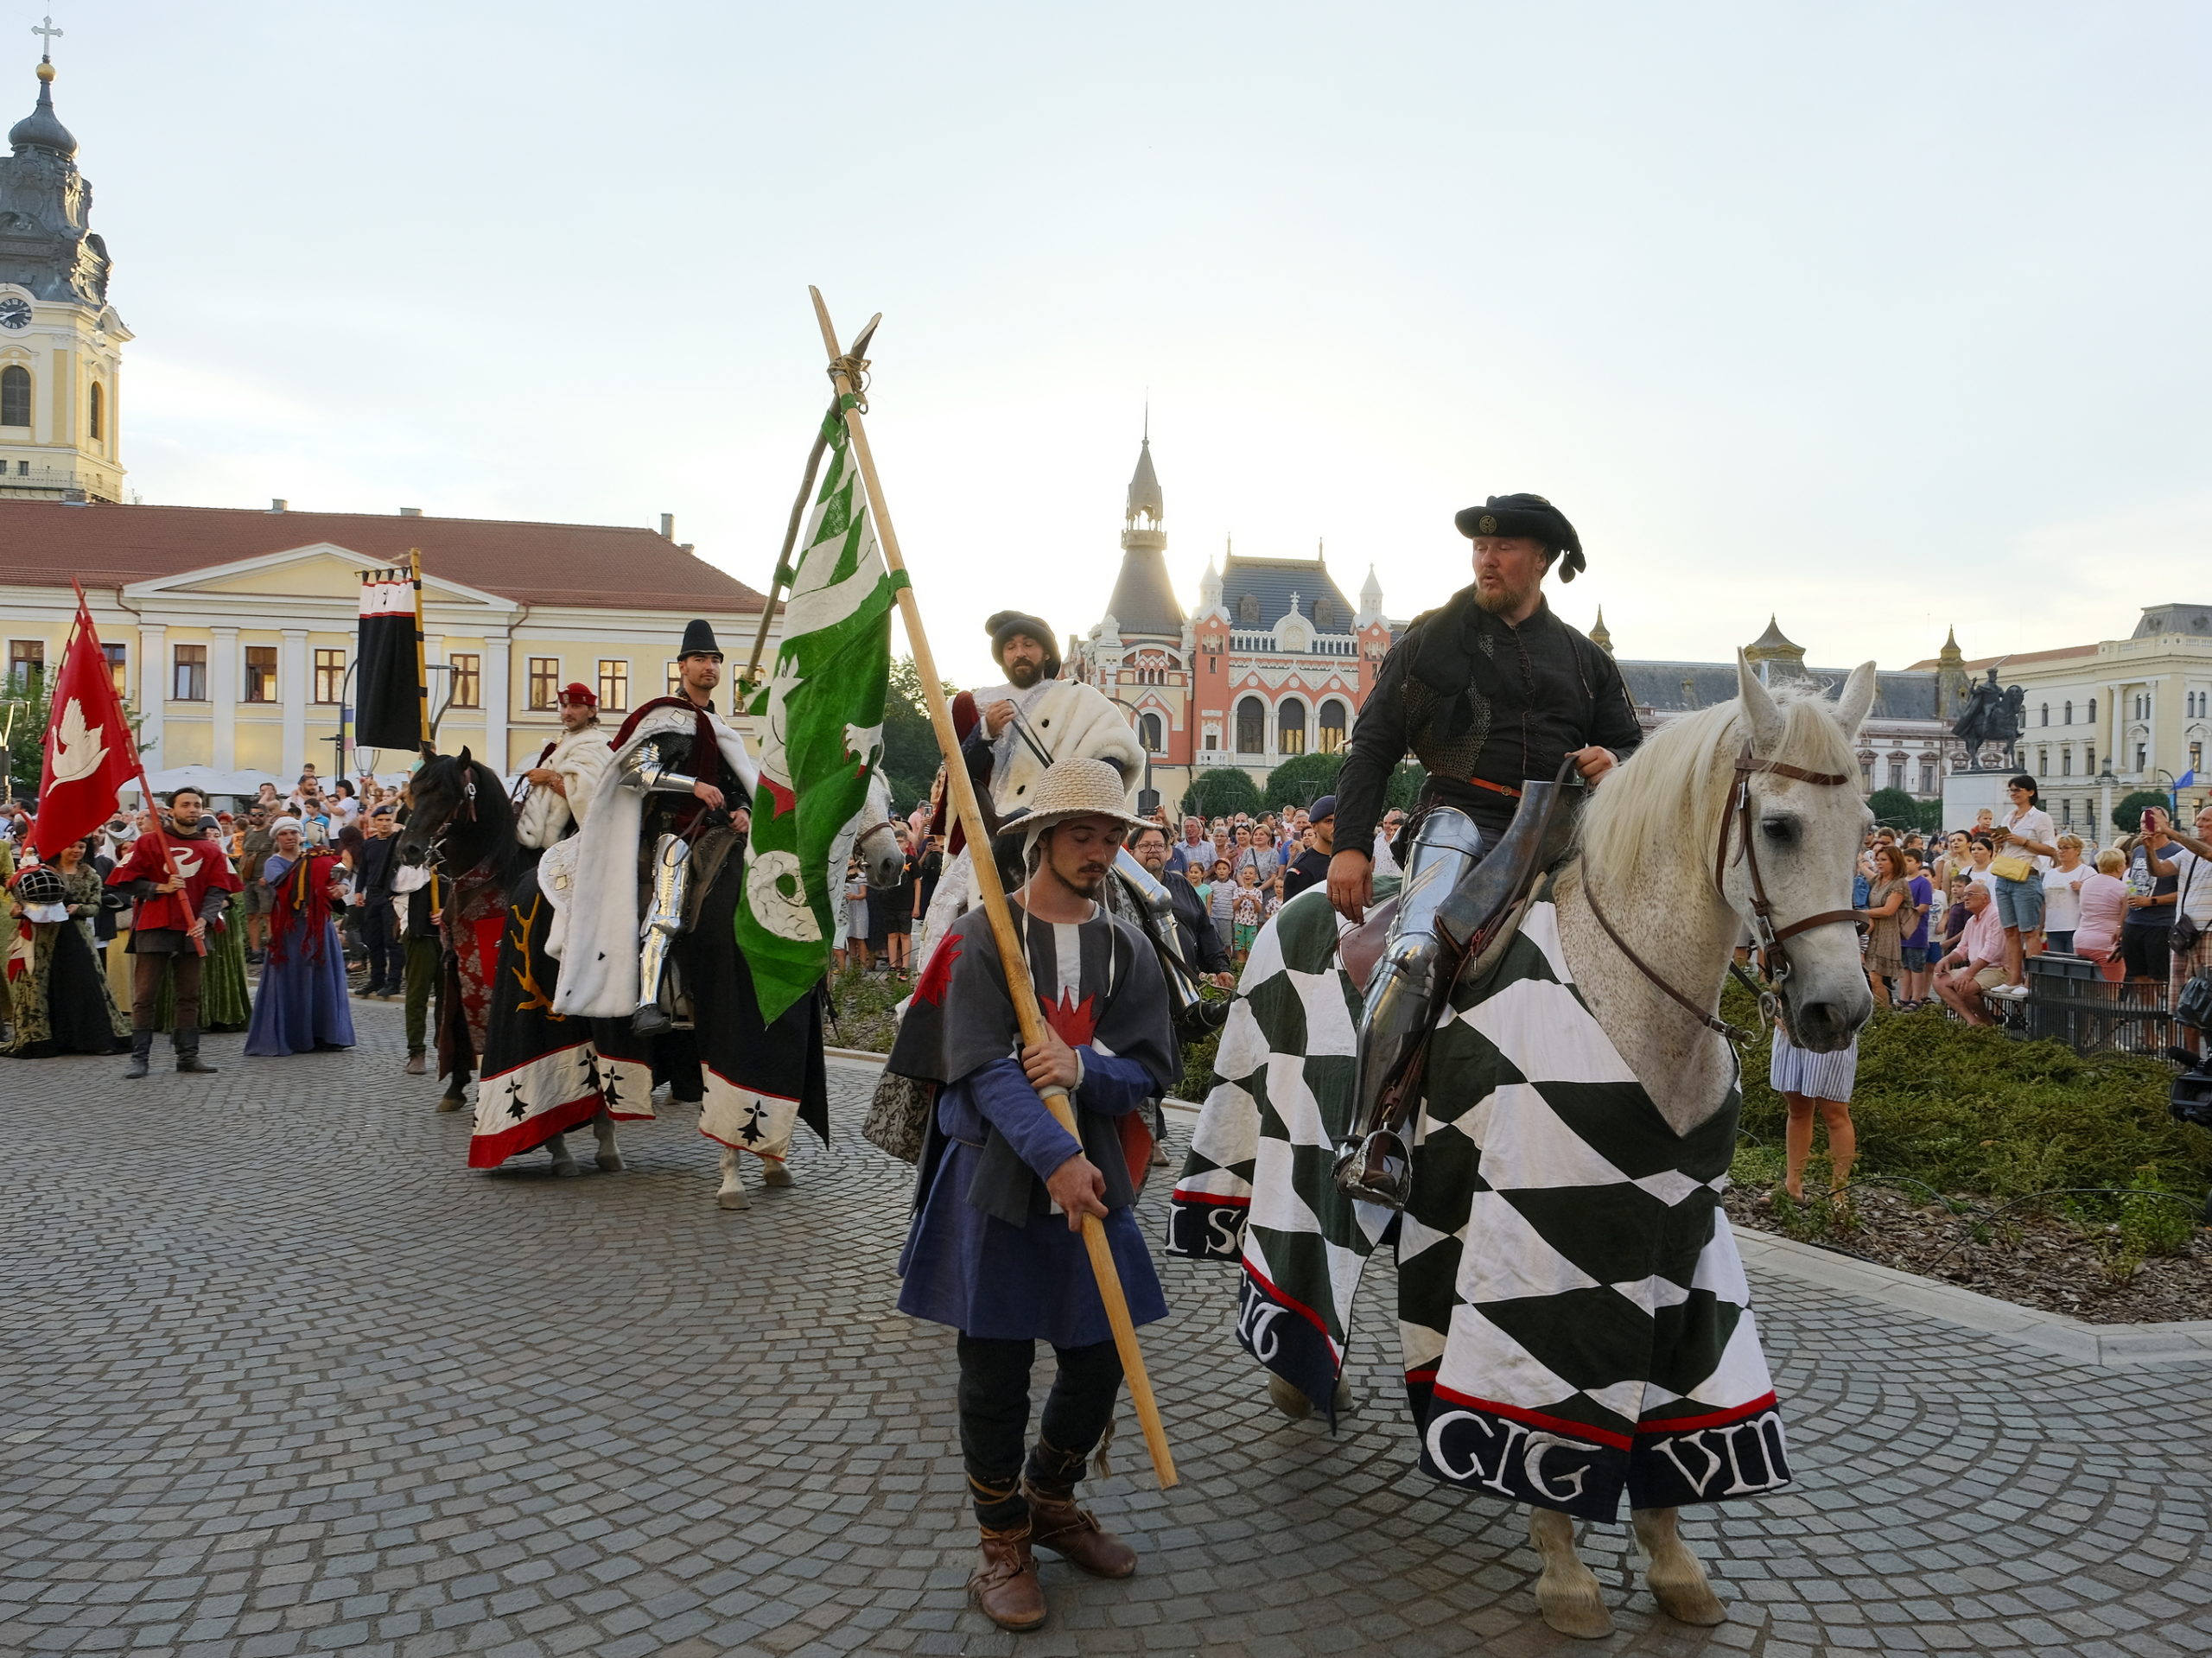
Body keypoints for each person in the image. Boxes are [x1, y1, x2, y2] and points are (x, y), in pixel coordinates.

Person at [886, 759, 1177, 1632]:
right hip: (999, 1186)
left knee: (1101, 1354)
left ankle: (1050, 1497)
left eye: (1111, 835)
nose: (1099, 850)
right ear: (1043, 839)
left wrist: (1085, 1067)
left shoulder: (1126, 944)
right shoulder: (985, 936)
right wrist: (1053, 1153)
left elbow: (1151, 1069)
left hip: (1097, 1185)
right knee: (995, 1370)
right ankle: (1002, 1541)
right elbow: (975, 1067)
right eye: (1082, 833)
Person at [549, 618, 826, 1194]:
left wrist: (744, 808)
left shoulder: (722, 727)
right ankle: (651, 996)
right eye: (698, 658)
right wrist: (690, 786)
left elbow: (741, 780)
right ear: (682, 666)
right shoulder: (664, 717)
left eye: (714, 659)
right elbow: (637, 772)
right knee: (673, 878)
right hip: (670, 831)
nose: (708, 667)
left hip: (723, 831)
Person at [1328, 494, 1640, 922]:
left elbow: (1631, 747)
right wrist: (1350, 846)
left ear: (1541, 560)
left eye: (1504, 547)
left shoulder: (1586, 659)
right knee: (1415, 957)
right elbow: (1371, 748)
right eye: (1479, 547)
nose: (1486, 561)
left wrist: (1614, 759)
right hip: (1458, 824)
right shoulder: (1428, 643)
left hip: (1566, 835)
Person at [916, 611, 1145, 959]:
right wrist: (985, 733)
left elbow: (1116, 747)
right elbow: (961, 773)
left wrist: (1083, 789)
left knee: (1151, 896)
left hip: (1065, 821)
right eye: (1010, 647)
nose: (1019, 652)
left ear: (1046, 653)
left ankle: (1176, 987)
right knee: (948, 907)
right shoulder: (982, 702)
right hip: (995, 828)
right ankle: (943, 994)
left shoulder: (1079, 698)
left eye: (1028, 644)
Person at [107, 788, 242, 1078]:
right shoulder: (148, 843)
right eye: (186, 805)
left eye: (197, 805)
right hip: (155, 924)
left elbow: (218, 889)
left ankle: (187, 1056)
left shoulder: (211, 849)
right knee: (145, 994)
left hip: (193, 927)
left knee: (189, 994)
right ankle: (140, 1057)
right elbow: (124, 880)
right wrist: (157, 888)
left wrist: (205, 919)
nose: (192, 809)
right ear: (172, 810)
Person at [4, 838, 130, 1056]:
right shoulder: (41, 871)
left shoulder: (89, 874)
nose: (77, 850)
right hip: (43, 939)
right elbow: (23, 903)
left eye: (81, 847)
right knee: (42, 986)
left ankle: (93, 1039)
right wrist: (18, 911)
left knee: (84, 985)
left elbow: (95, 907)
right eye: (71, 845)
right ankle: (44, 1039)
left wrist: (78, 908)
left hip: (76, 936)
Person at [245, 820, 357, 1056]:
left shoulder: (317, 857)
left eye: (293, 832)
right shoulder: (274, 863)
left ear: (300, 835)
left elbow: (341, 874)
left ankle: (327, 1034)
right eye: (283, 834)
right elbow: (286, 885)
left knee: (324, 977)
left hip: (320, 926)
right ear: (277, 839)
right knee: (295, 978)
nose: (289, 837)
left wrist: (342, 888)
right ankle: (295, 1036)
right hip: (292, 930)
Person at [2141, 803, 2212, 1057]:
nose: (2199, 824)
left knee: (2209, 1000)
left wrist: (2169, 831)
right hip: (2185, 935)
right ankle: (2191, 1060)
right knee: (2186, 1002)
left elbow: (2208, 853)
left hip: (2210, 935)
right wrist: (2149, 850)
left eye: (2206, 820)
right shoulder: (2187, 854)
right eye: (2199, 820)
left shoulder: (2198, 850)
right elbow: (2158, 871)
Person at [1126, 821, 1234, 987]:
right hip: (1139, 984)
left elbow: (1204, 929)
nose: (1153, 850)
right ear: (1131, 853)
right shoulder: (1123, 889)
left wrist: (1221, 967)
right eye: (1145, 846)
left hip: (1184, 982)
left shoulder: (1181, 884)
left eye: (1158, 845)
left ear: (1167, 852)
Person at [517, 682, 613, 853]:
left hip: (572, 838)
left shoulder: (595, 745)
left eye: (575, 706)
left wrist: (550, 778)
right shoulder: (559, 742)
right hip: (540, 832)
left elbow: (590, 798)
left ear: (591, 711)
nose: (567, 712)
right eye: (564, 706)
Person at [1985, 775, 2056, 999]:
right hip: (2005, 873)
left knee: (2029, 930)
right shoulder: (2009, 815)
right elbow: (2006, 846)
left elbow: (2051, 849)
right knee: (2010, 930)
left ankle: (2030, 979)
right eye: (2011, 790)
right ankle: (2013, 978)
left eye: (2017, 790)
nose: (2013, 793)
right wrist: (1999, 841)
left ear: (2030, 792)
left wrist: (2024, 842)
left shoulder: (2041, 818)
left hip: (2026, 875)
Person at [1770, 1017, 1856, 1202]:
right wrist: (1777, 1004)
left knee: (1835, 1114)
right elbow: (1771, 986)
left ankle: (1839, 1194)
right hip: (1791, 1029)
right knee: (1797, 1108)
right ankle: (1792, 1186)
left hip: (1832, 1027)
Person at [1933, 880, 2007, 1026]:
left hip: (1999, 969)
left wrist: (1967, 974)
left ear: (1985, 898)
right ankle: (1973, 1021)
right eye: (1965, 894)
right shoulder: (1972, 920)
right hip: (1979, 969)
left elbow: (1991, 952)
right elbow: (1962, 949)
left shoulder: (1996, 916)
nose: (1965, 898)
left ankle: (1986, 1021)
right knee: (1938, 980)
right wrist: (1947, 959)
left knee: (1965, 986)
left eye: (1970, 894)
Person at [2120, 809, 2181, 985]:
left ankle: (2159, 1012)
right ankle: (2146, 1011)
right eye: (2142, 822)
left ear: (2165, 824)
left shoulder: (2176, 852)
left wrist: (2151, 901)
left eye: (2151, 822)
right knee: (2138, 976)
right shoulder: (2139, 850)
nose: (2145, 826)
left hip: (2160, 924)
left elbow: (2183, 892)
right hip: (2134, 922)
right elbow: (2130, 884)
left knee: (2158, 978)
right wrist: (2121, 924)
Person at [355, 807, 402, 999]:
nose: (384, 823)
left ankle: (394, 982)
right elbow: (364, 870)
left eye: (388, 819)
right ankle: (376, 980)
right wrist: (358, 890)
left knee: (392, 941)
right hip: (372, 896)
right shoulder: (369, 844)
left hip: (390, 896)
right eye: (380, 820)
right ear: (374, 822)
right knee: (373, 941)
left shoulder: (398, 842)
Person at [1858, 845, 1910, 1008]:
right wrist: (1859, 860)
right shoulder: (1879, 880)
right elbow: (1867, 873)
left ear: (1894, 862)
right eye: (1877, 860)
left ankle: (1884, 1014)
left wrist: (1863, 912)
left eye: (1884, 860)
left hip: (1887, 934)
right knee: (1872, 978)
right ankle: (1880, 1012)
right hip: (1872, 932)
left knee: (1875, 978)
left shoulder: (1899, 883)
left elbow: (1889, 910)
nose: (1879, 863)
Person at [2041, 835, 2092, 955]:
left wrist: (2083, 889)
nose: (2061, 851)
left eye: (2066, 848)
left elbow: (2097, 898)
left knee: (2073, 964)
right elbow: (2044, 902)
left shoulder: (2087, 871)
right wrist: (2041, 925)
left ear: (2077, 850)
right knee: (2056, 965)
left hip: (2075, 927)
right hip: (2052, 927)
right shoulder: (2050, 874)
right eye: (2059, 848)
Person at [1897, 849, 1936, 1010]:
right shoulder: (1901, 882)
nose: (1906, 864)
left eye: (1910, 860)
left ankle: (1917, 998)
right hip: (1901, 933)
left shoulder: (1923, 883)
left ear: (1919, 863)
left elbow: (1924, 906)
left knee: (1917, 966)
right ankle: (1903, 997)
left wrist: (1907, 914)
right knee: (1905, 967)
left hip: (1916, 931)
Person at [1281, 795, 1335, 903]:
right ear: (1314, 826)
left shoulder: (1349, 858)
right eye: (1329, 821)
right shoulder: (1302, 869)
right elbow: (1293, 914)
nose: (1336, 826)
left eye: (1341, 820)